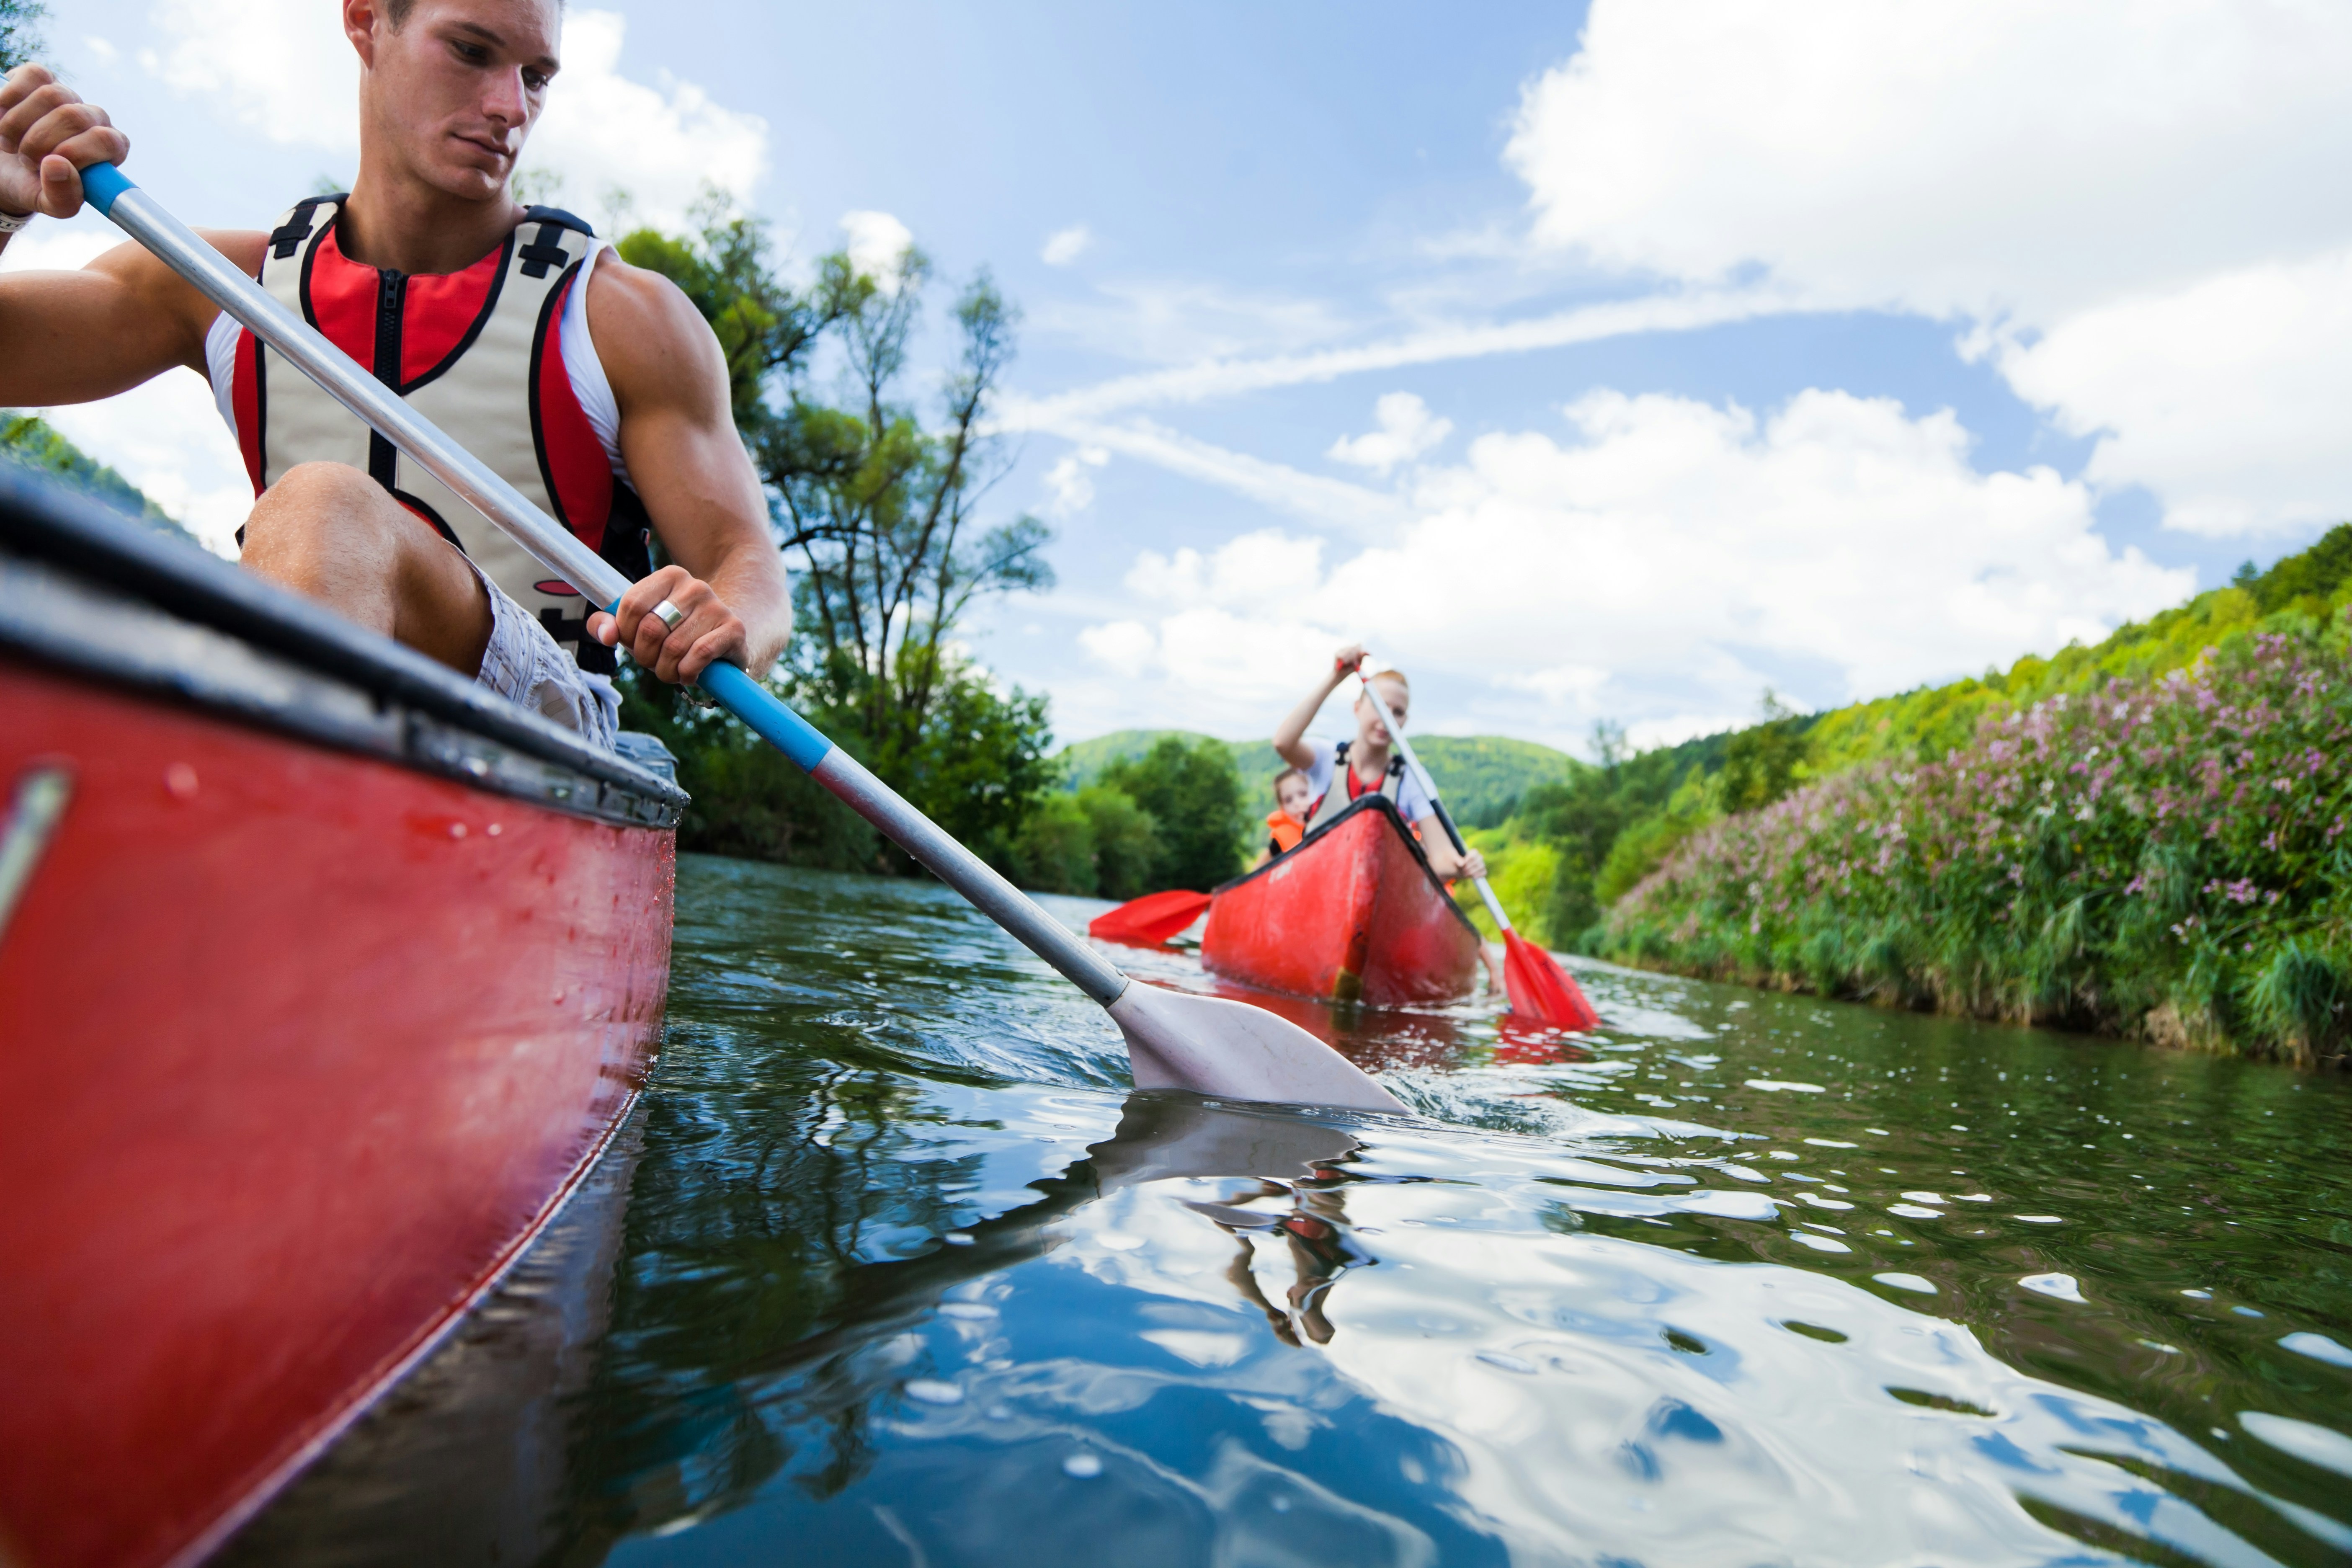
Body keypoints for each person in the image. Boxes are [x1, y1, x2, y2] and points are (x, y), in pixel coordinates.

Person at [0, 0, 791, 749]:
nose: (511, 107)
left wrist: (725, 621)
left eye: (536, 77)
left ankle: (245, 819)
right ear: (366, 21)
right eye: (473, 52)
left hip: (546, 722)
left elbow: (747, 567)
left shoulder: (624, 318)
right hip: (295, 673)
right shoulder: (214, 283)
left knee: (323, 503)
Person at [1270, 642, 1487, 883]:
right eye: (1380, 706)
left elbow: (1442, 858)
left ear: (1405, 721)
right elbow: (1283, 743)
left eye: (1398, 712)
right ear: (1357, 708)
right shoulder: (1326, 758)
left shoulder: (1412, 777)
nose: (1387, 719)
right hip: (1314, 886)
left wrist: (1463, 865)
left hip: (1373, 892)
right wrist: (1337, 676)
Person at [1249, 766, 1314, 869]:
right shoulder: (1279, 841)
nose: (1297, 803)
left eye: (1303, 794)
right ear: (1282, 807)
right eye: (1289, 800)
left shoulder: (1327, 817)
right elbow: (1256, 872)